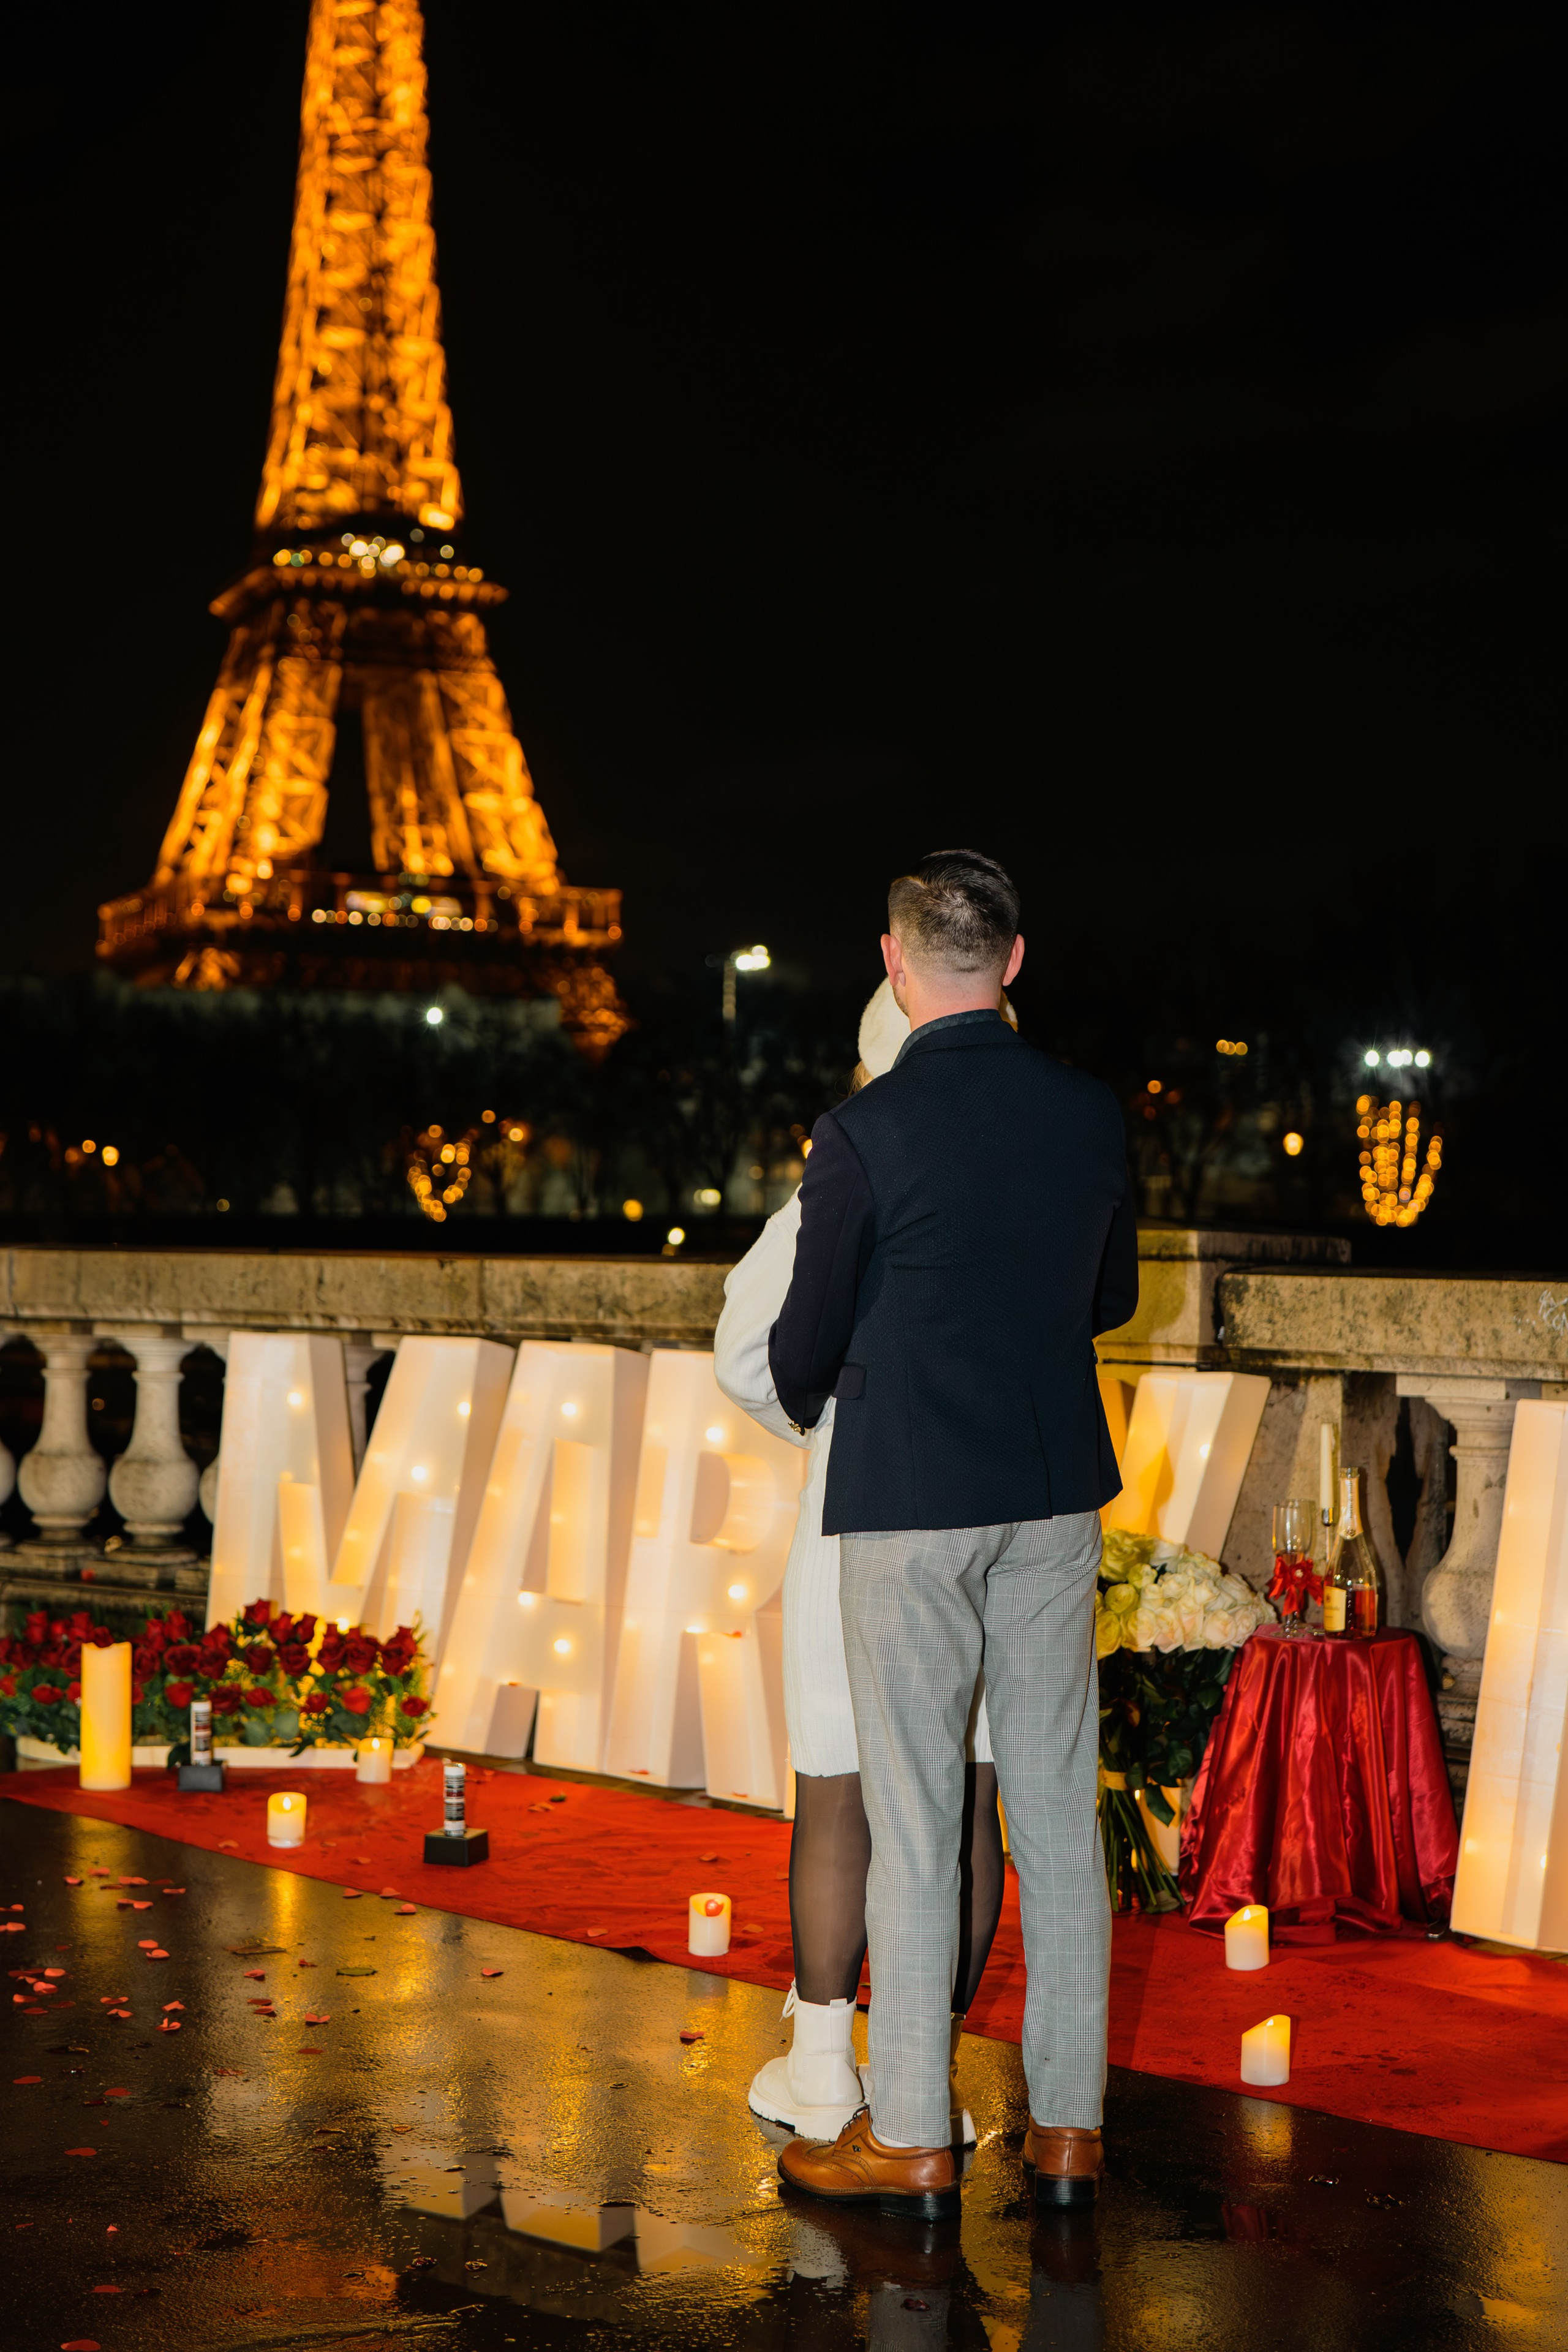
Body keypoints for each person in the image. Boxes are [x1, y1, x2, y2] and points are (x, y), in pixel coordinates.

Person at [768, 849, 1137, 2220]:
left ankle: (913, 2130)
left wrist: (841, 1390)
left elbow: (802, 1333)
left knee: (919, 1819)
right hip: (1049, 1489)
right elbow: (1106, 1293)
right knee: (1050, 1819)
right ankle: (1067, 2131)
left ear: (892, 959)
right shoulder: (1088, 1111)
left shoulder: (863, 1131)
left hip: (911, 1493)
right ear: (1015, 961)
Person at [714, 978, 1006, 2144]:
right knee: (969, 1783)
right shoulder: (1018, 1164)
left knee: (838, 1782)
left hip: (864, 1507)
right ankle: (921, 2075)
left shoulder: (854, 1162)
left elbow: (747, 1350)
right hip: (998, 1513)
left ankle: (827, 2063)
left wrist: (823, 1428)